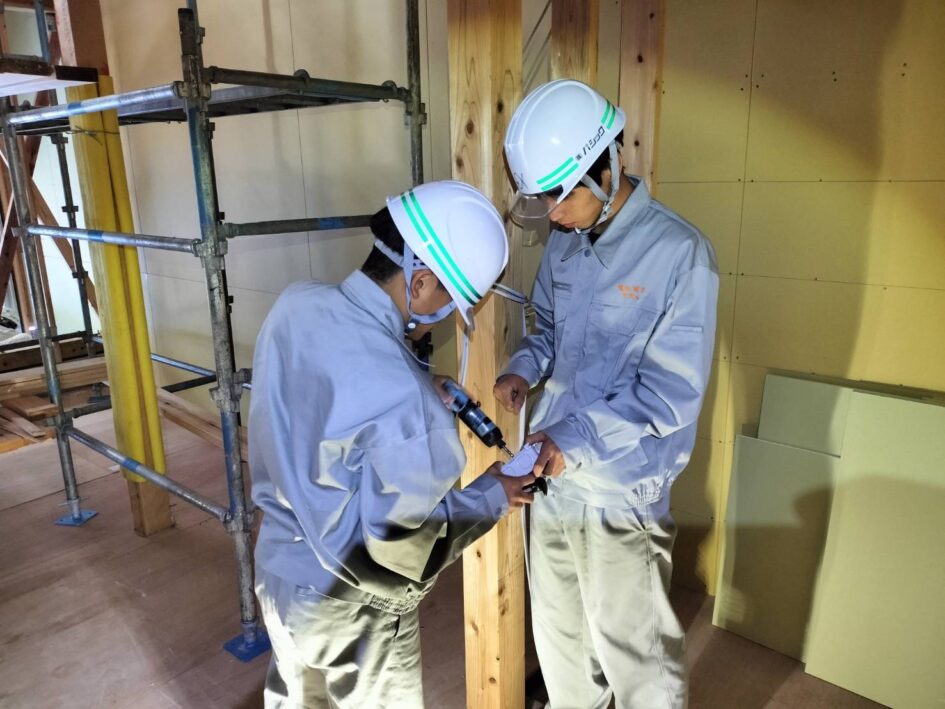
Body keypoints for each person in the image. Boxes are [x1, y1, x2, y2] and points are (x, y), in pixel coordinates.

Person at [250, 180, 536, 708]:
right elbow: (402, 548)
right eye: (450, 301)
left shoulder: (295, 304)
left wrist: (415, 372)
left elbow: (327, 394)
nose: (446, 316)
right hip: (349, 608)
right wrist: (493, 493)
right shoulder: (409, 404)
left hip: (277, 573)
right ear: (420, 282)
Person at [495, 79, 719, 708]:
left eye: (561, 196)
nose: (553, 214)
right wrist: (522, 369)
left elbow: (670, 393)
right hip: (552, 478)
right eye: (543, 200)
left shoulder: (681, 254)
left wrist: (571, 439)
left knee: (636, 656)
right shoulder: (565, 245)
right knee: (561, 643)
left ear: (607, 168)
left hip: (622, 490)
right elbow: (547, 328)